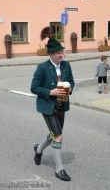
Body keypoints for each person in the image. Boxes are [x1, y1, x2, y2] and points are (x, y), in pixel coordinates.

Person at [30, 26, 75, 181]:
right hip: (48, 105)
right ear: (50, 54)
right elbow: (34, 88)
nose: (61, 55)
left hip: (62, 104)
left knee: (55, 135)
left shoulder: (66, 65)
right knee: (58, 135)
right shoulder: (42, 68)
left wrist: (70, 89)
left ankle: (39, 150)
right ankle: (59, 169)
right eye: (58, 53)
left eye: (62, 52)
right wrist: (51, 92)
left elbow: (72, 81)